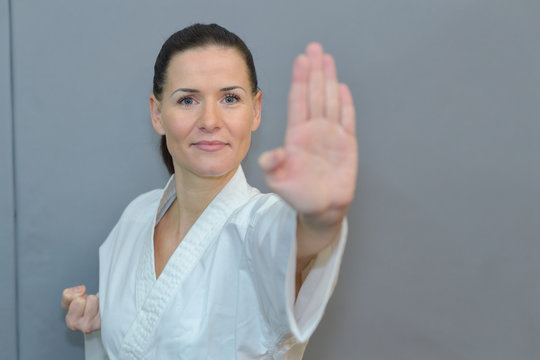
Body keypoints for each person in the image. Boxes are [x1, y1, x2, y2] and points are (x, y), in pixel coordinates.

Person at [61, 23, 357, 359]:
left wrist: (320, 216)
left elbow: (296, 242)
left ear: (256, 110)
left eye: (230, 98)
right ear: (157, 114)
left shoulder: (258, 226)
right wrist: (109, 315)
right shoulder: (135, 217)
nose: (210, 120)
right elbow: (154, 323)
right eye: (187, 100)